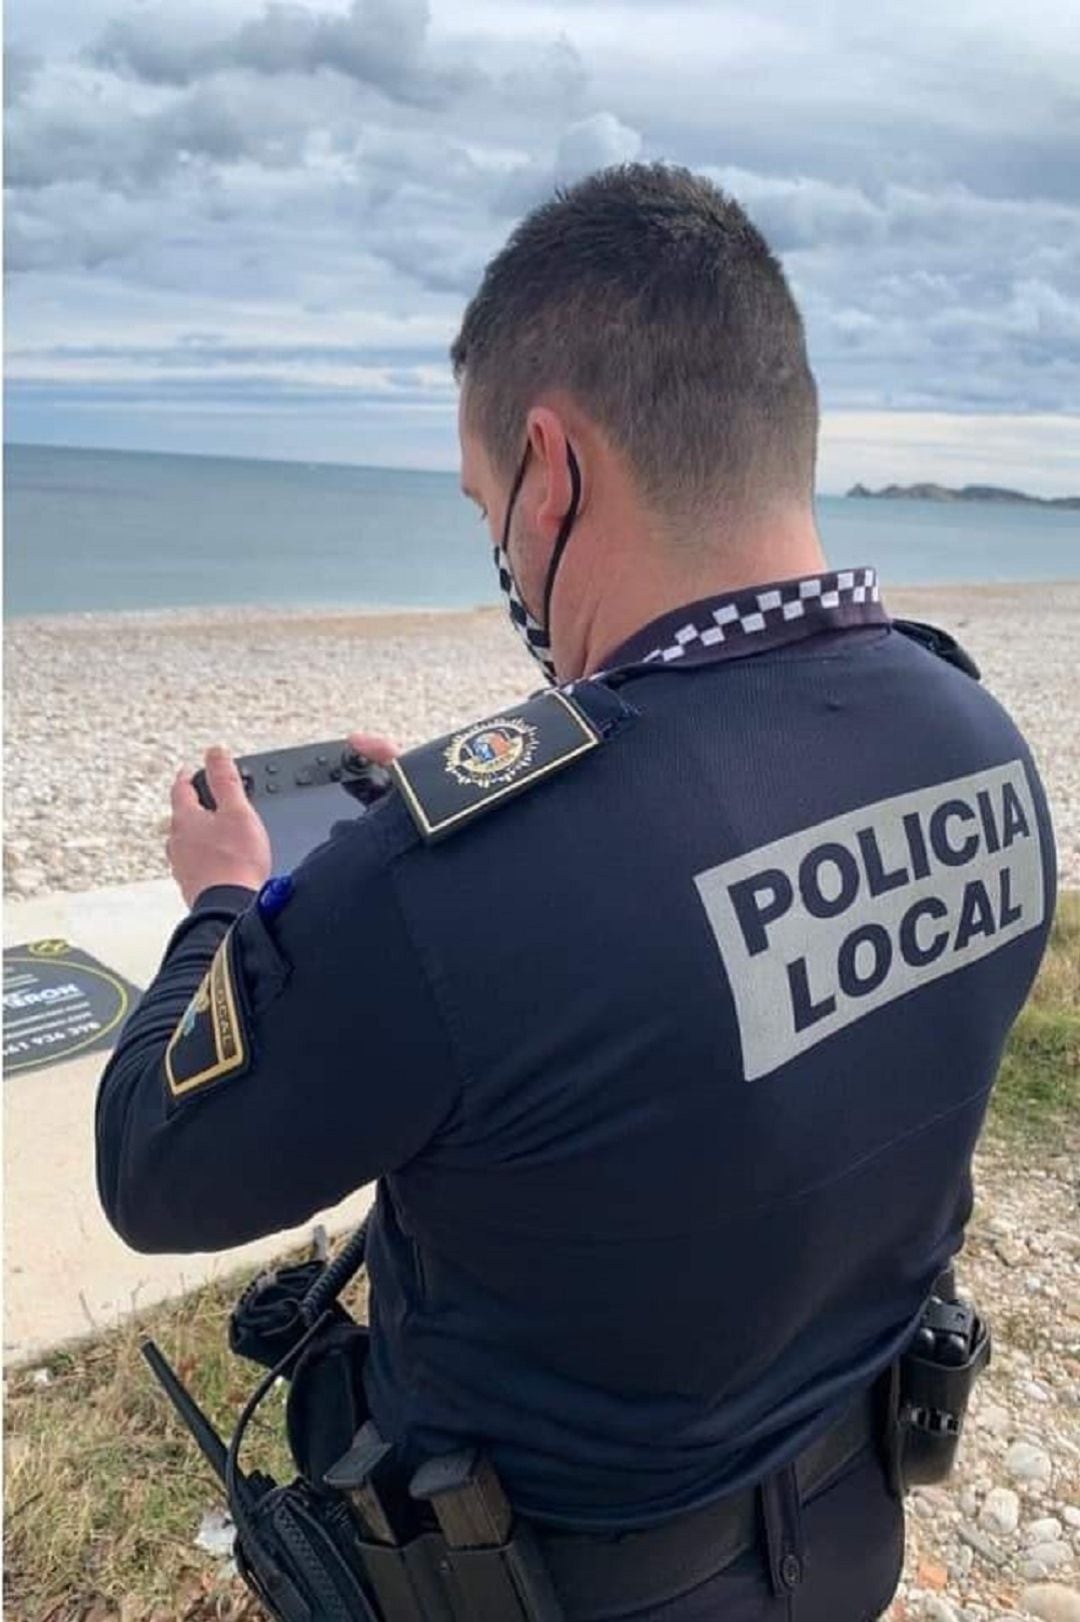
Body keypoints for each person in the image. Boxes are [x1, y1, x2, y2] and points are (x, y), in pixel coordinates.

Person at [96, 164, 1056, 1620]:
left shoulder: (453, 885)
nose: (503, 552)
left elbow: (154, 1168)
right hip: (847, 1526)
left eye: (490, 505)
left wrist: (228, 904)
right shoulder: (977, 741)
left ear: (554, 469)